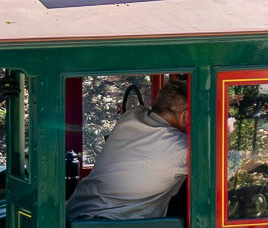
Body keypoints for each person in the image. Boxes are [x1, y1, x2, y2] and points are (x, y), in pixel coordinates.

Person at [68, 80, 190, 220]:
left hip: (77, 211)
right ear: (185, 116)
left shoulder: (133, 115)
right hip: (106, 224)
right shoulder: (178, 147)